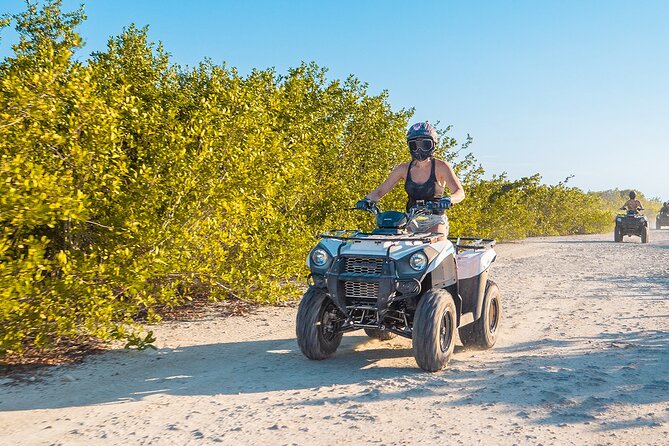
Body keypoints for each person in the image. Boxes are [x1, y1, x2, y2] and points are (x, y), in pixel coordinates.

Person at [355, 121, 465, 236]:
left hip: (435, 219)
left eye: (424, 145)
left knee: (435, 244)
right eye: (415, 145)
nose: (419, 150)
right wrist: (366, 200)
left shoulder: (441, 167)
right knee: (397, 246)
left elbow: (460, 192)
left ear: (433, 145)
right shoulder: (403, 168)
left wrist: (449, 199)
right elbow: (380, 191)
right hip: (410, 219)